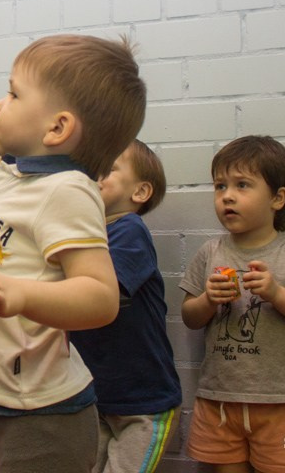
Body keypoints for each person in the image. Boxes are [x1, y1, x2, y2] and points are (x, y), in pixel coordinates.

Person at [0, 0, 148, 473]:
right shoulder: (11, 174)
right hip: (5, 398)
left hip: (44, 415)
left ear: (57, 128)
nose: (0, 101)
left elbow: (101, 297)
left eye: (14, 94)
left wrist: (19, 293)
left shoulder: (67, 192)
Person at [179, 135, 285, 473]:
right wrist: (208, 299)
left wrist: (277, 294)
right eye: (220, 186)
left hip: (280, 403)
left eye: (242, 185)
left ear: (278, 198)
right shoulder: (210, 252)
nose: (227, 196)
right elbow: (189, 317)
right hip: (219, 400)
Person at [70, 140, 182, 473]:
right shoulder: (83, 239)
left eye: (108, 166)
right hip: (98, 399)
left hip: (144, 405)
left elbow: (100, 296)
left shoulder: (128, 231)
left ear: (140, 191)